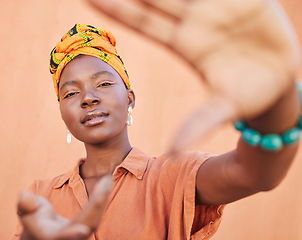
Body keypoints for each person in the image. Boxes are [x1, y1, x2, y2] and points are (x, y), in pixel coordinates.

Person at [14, 0, 301, 239]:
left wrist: (276, 104)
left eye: (103, 84)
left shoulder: (172, 177)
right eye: (71, 93)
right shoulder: (41, 196)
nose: (88, 98)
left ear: (130, 98)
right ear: (62, 112)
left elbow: (254, 173)